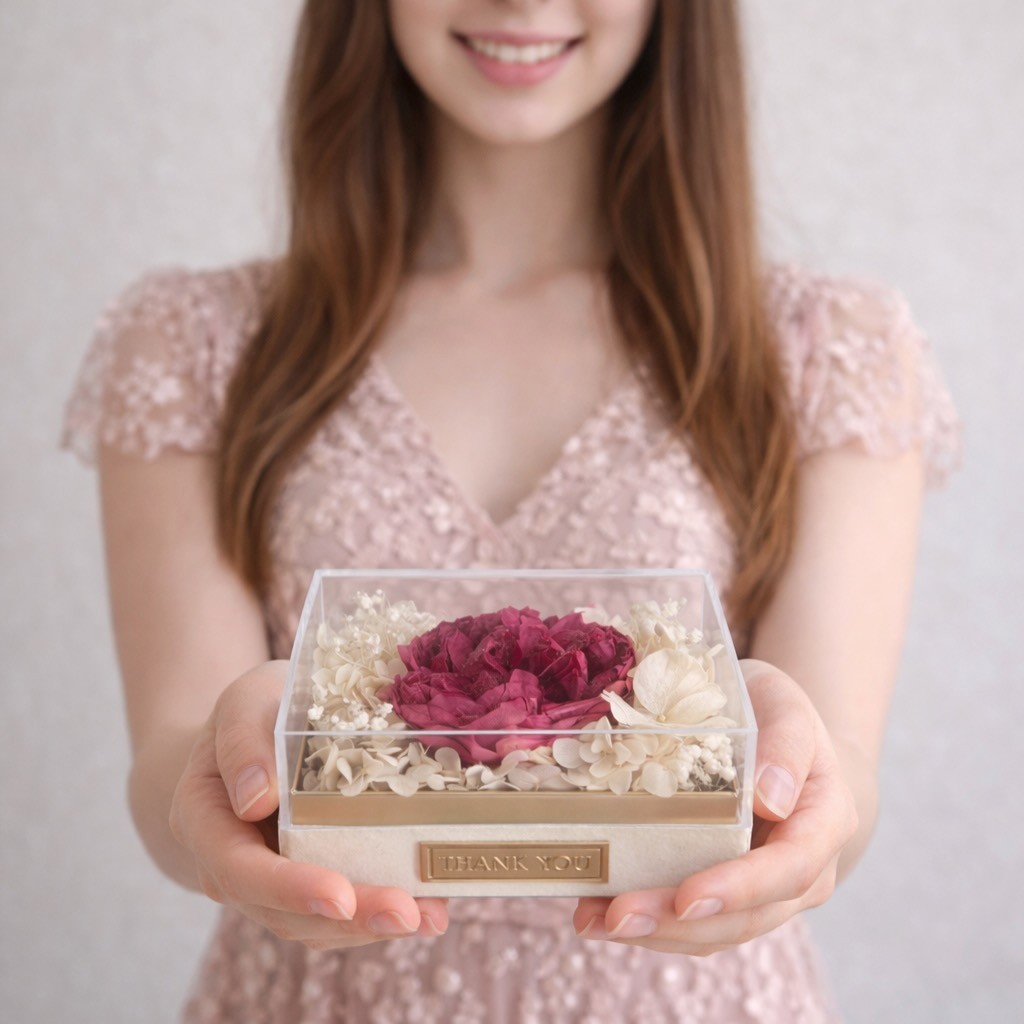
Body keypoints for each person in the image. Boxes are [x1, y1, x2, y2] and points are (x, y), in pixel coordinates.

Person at [62, 1, 960, 1021]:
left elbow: (843, 780)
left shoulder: (829, 345)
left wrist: (797, 786)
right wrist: (225, 775)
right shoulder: (194, 343)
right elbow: (169, 761)